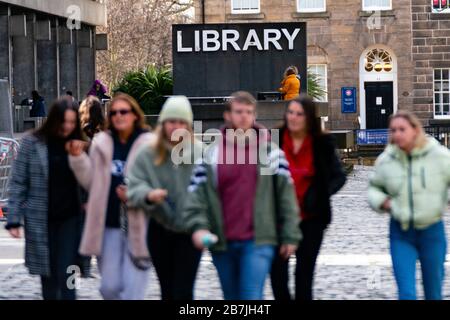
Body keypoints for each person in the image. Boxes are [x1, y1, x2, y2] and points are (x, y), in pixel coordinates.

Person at [183, 91, 302, 300]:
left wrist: (290, 234)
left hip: (259, 240)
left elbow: (286, 196)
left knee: (250, 296)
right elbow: (197, 195)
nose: (244, 116)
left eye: (249, 112)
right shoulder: (212, 153)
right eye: (239, 111)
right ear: (228, 115)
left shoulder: (271, 153)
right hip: (222, 240)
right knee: (231, 297)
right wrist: (198, 226)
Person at [67, 93, 154, 300]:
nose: (118, 116)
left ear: (134, 114)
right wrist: (78, 159)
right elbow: (91, 181)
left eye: (123, 111)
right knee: (109, 287)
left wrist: (133, 194)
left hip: (139, 224)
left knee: (133, 291)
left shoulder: (148, 143)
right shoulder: (102, 143)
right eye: (114, 112)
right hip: (108, 225)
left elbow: (156, 182)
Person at [5, 98, 85, 300]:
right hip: (41, 219)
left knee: (68, 272)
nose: (67, 127)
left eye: (72, 122)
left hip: (72, 219)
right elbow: (18, 182)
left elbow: (91, 183)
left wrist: (81, 157)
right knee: (48, 276)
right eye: (63, 121)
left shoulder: (80, 145)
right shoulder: (32, 143)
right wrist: (13, 219)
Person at [270, 95, 346, 300]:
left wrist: (320, 194)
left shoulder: (322, 142)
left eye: (299, 114)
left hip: (311, 219)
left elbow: (338, 176)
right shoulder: (274, 138)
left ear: (309, 118)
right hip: (279, 220)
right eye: (290, 112)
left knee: (304, 278)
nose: (293, 117)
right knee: (278, 278)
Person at [368, 110, 450, 300]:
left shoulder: (439, 155)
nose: (397, 134)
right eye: (393, 130)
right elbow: (374, 188)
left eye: (402, 129)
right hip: (401, 233)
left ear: (415, 130)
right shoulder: (386, 160)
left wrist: (444, 199)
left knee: (433, 292)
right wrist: (382, 201)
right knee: (406, 292)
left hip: (432, 232)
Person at [127, 96, 203, 300]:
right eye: (171, 121)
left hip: (190, 231)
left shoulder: (201, 152)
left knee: (184, 291)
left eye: (180, 122)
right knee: (167, 290)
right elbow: (134, 185)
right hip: (159, 229)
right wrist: (148, 195)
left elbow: (211, 190)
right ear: (163, 123)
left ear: (188, 125)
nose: (175, 127)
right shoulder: (148, 153)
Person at [75, 95, 107, 278]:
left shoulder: (78, 133)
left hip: (81, 184)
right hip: (99, 184)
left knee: (82, 226)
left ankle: (83, 264)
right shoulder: (104, 134)